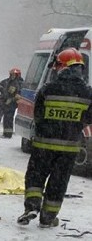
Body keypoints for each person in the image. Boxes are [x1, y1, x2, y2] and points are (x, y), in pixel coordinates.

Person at [17, 47, 92, 227]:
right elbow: (89, 118)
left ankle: (32, 207)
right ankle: (48, 217)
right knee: (58, 182)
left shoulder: (48, 89)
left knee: (36, 177)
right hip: (69, 148)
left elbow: (38, 115)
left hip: (44, 145)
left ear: (62, 67)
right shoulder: (88, 93)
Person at [0, 67, 23, 137]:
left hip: (12, 104)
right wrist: (2, 90)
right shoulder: (7, 81)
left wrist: (11, 100)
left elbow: (19, 95)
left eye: (14, 74)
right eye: (12, 74)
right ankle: (2, 131)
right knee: (3, 117)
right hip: (4, 102)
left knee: (8, 118)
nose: (13, 76)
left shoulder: (20, 83)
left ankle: (8, 134)